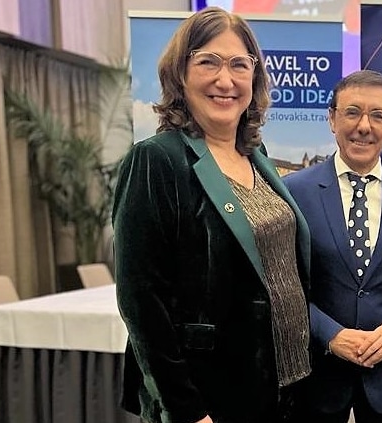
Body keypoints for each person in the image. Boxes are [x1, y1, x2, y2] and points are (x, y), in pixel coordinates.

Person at [112, 7, 311, 423]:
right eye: (208, 62)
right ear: (180, 74)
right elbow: (142, 303)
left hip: (285, 385)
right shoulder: (157, 160)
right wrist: (187, 411)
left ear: (254, 78)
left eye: (240, 64)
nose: (226, 79)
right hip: (214, 398)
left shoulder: (257, 157)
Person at [283, 69, 382, 423]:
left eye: (378, 116)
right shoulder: (294, 192)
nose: (364, 126)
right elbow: (283, 288)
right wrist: (330, 334)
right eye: (352, 112)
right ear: (332, 118)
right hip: (316, 379)